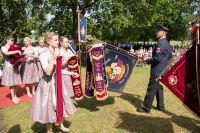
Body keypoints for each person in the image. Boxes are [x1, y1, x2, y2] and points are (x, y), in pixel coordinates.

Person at [30, 32, 78, 133]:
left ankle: (60, 124)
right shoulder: (43, 54)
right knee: (49, 106)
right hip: (47, 84)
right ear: (48, 41)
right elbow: (47, 72)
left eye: (57, 40)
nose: (57, 42)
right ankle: (49, 129)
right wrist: (53, 57)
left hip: (58, 82)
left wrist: (70, 73)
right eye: (55, 40)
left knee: (61, 103)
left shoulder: (57, 52)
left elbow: (58, 70)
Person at [137, 25, 172, 113]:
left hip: (157, 70)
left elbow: (157, 58)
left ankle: (146, 108)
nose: (156, 32)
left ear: (163, 33)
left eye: (158, 31)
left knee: (151, 89)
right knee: (158, 88)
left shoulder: (161, 43)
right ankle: (161, 106)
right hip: (163, 70)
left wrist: (146, 60)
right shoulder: (167, 43)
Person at [1, 35, 22, 104]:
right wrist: (17, 51)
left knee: (15, 82)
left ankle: (15, 96)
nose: (12, 41)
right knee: (11, 83)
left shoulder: (14, 46)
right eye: (11, 40)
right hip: (9, 66)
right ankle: (13, 98)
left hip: (15, 65)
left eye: (13, 40)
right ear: (7, 40)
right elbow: (6, 53)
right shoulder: (3, 47)